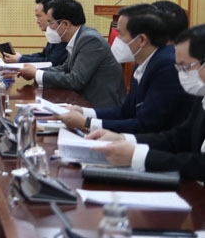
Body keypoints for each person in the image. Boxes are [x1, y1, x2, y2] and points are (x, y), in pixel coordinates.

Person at [88, 24, 205, 181]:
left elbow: (200, 164)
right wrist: (124, 139)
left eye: (185, 67)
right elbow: (179, 138)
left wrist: (138, 156)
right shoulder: (201, 94)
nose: (182, 75)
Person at [58, 3, 194, 133]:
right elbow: (126, 112)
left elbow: (146, 125)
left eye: (121, 34)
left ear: (141, 40)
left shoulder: (166, 65)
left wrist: (87, 123)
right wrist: (83, 112)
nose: (116, 39)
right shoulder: (141, 62)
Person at [17, 0, 125, 107]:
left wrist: (37, 74)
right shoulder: (78, 37)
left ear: (66, 24)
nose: (48, 28)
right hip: (81, 101)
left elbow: (76, 80)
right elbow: (64, 68)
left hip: (99, 107)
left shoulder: (90, 40)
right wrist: (35, 72)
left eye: (50, 23)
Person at [2, 0, 68, 66]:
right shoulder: (53, 35)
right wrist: (20, 57)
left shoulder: (64, 35)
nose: (37, 21)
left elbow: (51, 62)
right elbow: (43, 55)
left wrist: (20, 59)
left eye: (39, 16)